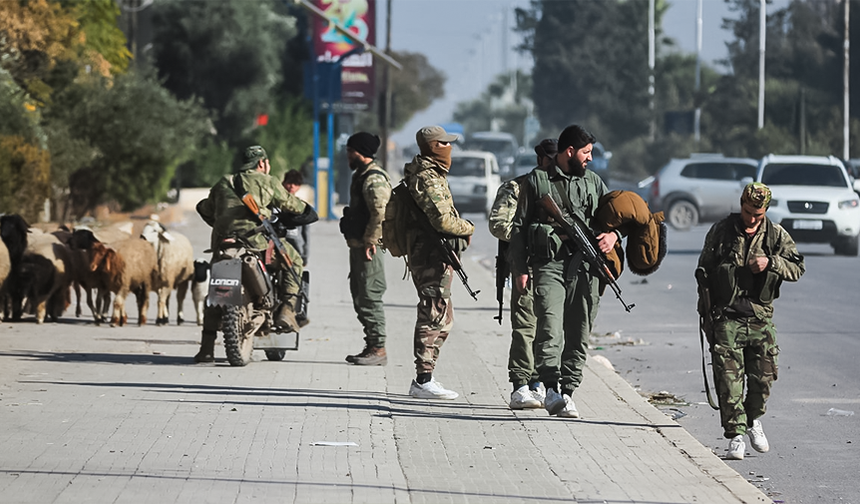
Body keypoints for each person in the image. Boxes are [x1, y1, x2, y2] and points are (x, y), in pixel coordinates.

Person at [508, 125, 618, 418]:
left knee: (579, 331)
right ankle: (551, 387)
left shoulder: (594, 182)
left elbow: (614, 217)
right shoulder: (538, 180)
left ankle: (568, 392)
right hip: (549, 264)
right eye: (586, 153)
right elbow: (518, 228)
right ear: (569, 152)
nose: (590, 159)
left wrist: (613, 236)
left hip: (585, 266)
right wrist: (519, 268)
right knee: (550, 327)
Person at [696, 182, 804, 460]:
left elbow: (797, 268)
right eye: (747, 212)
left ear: (765, 210)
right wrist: (707, 315)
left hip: (760, 318)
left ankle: (753, 419)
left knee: (763, 378)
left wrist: (771, 263)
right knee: (729, 382)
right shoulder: (721, 232)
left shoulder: (776, 235)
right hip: (727, 318)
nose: (751, 219)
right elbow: (703, 272)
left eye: (757, 214)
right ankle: (735, 436)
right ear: (741, 205)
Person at [193, 145, 318, 363]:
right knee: (295, 260)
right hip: (256, 243)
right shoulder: (267, 181)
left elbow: (204, 208)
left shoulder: (224, 182)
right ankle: (287, 310)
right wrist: (307, 211)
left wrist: (221, 223)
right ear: (261, 163)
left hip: (225, 245)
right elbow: (292, 205)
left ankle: (206, 349)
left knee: (216, 294)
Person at [403, 125, 475, 399]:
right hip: (430, 254)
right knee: (433, 312)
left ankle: (427, 375)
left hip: (434, 253)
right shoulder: (428, 178)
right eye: (446, 144)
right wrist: (467, 227)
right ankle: (423, 380)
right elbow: (442, 220)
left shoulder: (430, 174)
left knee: (443, 316)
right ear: (435, 147)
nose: (450, 148)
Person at [488, 138, 558, 409]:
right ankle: (520, 385)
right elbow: (498, 224)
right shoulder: (517, 188)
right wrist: (529, 239)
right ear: (541, 159)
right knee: (525, 327)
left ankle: (538, 382)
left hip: (553, 269)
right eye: (551, 160)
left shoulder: (561, 188)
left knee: (549, 328)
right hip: (525, 266)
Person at [341, 132, 392, 366]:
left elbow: (380, 213)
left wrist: (371, 241)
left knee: (370, 296)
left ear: (360, 152)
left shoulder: (374, 179)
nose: (347, 155)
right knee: (360, 296)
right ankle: (371, 344)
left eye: (350, 151)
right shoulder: (361, 175)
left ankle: (378, 348)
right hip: (359, 246)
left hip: (368, 247)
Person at [279, 170, 310, 266]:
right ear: (283, 183)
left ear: (299, 186)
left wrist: (305, 255)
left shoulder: (301, 207)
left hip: (297, 250)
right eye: (289, 183)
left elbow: (306, 233)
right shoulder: (276, 204)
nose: (292, 186)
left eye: (295, 184)